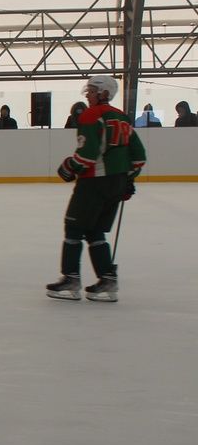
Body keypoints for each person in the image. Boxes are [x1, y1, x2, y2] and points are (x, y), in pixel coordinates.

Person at [46, 75, 146, 302]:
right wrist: (127, 180)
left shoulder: (91, 115)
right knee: (94, 230)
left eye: (91, 91)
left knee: (73, 227)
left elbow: (88, 155)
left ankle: (71, 278)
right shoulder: (122, 117)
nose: (87, 94)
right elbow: (139, 157)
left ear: (103, 93)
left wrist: (69, 167)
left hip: (94, 182)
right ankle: (108, 280)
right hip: (116, 183)